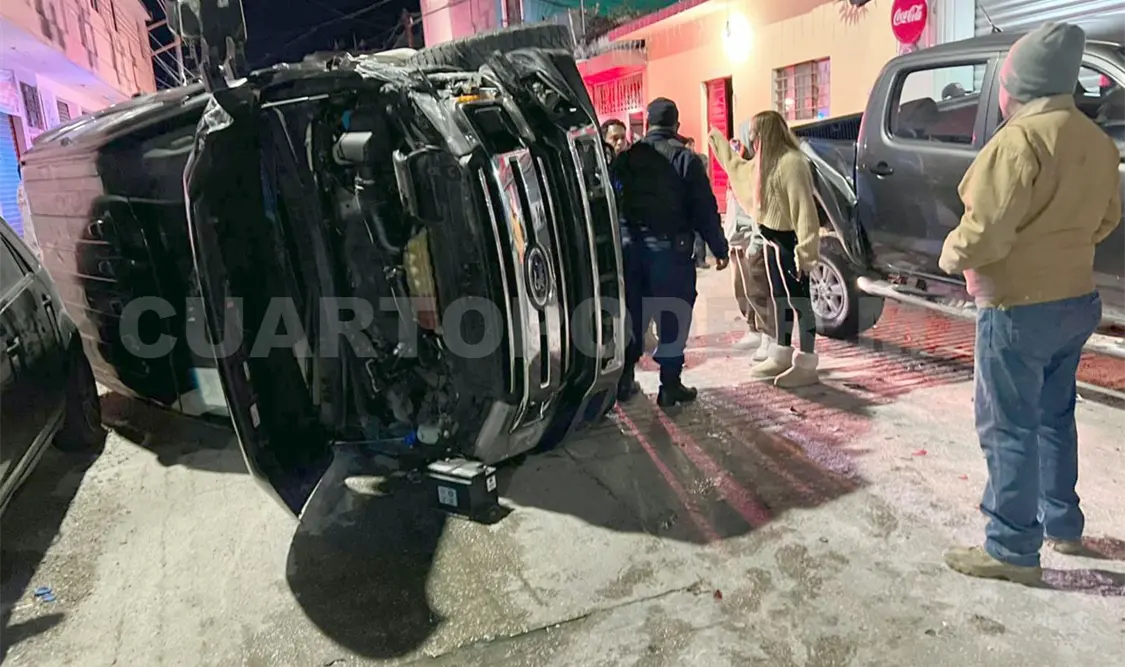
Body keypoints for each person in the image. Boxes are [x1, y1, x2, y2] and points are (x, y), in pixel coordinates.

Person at [937, 23, 1121, 585]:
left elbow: (984, 231)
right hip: (1075, 301)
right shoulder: (1094, 141)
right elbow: (1108, 219)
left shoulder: (1019, 141)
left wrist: (950, 257)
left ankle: (1012, 549)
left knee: (1007, 425)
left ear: (1018, 83)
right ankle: (1062, 523)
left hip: (1017, 308)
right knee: (1053, 417)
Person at [612, 98, 729, 407]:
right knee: (673, 318)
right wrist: (719, 248)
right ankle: (669, 385)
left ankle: (624, 379)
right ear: (676, 126)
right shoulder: (686, 160)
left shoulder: (625, 159)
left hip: (631, 252)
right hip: (670, 255)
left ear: (647, 125)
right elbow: (705, 209)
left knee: (634, 316)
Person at [708, 110, 820, 388]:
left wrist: (805, 253)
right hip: (772, 242)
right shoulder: (764, 162)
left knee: (800, 303)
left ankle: (807, 362)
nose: (752, 139)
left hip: (790, 244)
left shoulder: (791, 162)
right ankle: (781, 353)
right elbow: (736, 167)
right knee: (779, 299)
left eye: (755, 133)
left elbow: (805, 211)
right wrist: (716, 139)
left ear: (766, 134)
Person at [723, 124, 773, 359]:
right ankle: (752, 328)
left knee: (757, 290)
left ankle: (766, 335)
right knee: (741, 289)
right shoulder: (738, 167)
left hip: (751, 240)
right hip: (736, 238)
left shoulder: (758, 170)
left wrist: (754, 240)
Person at [682, 136, 712, 268]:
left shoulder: (700, 159)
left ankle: (701, 258)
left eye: (690, 145)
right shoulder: (681, 159)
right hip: (685, 203)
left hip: (697, 201)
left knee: (699, 233)